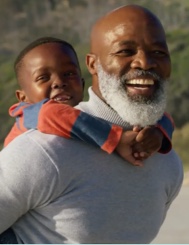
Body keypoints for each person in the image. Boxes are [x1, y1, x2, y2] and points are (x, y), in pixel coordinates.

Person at [0, 5, 183, 244]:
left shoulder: (167, 162)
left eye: (158, 52)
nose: (145, 63)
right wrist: (115, 139)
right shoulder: (42, 150)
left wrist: (158, 134)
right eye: (125, 51)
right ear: (93, 64)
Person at [4, 37, 173, 164]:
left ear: (82, 83)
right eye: (43, 77)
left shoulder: (83, 118)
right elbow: (52, 113)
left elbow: (164, 117)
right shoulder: (28, 114)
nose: (58, 82)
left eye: (69, 74)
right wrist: (117, 139)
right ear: (22, 98)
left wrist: (157, 133)